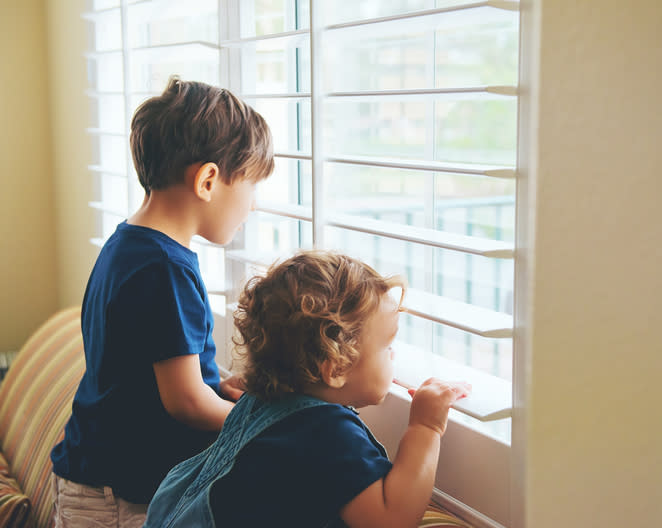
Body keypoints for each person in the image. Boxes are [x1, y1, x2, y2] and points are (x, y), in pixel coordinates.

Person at [50, 76, 274, 527]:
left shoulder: (127, 245)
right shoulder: (166, 269)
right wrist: (257, 425)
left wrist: (216, 389)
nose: (253, 206)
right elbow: (186, 403)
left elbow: (147, 374)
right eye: (250, 187)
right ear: (208, 180)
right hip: (120, 495)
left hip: (97, 477)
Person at [143, 250, 471, 528]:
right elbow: (392, 518)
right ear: (336, 367)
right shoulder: (325, 432)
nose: (394, 355)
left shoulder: (266, 402)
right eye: (387, 346)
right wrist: (425, 427)